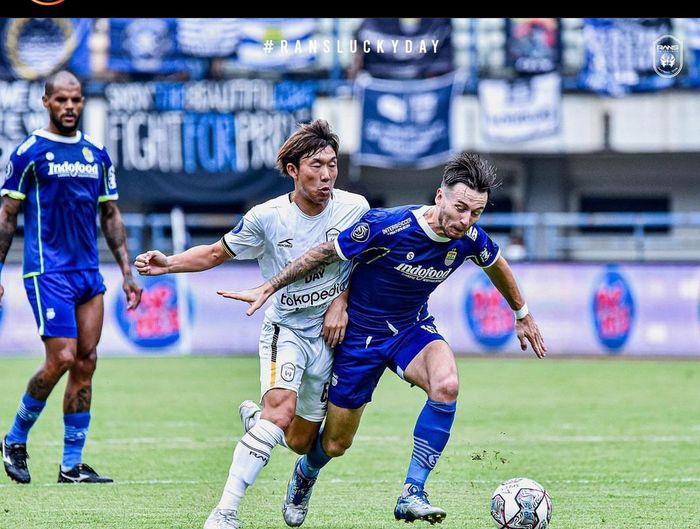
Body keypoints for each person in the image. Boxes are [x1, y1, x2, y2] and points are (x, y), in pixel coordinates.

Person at [218, 152, 547, 526]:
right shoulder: (388, 225)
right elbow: (330, 253)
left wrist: (522, 314)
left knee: (447, 384)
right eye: (459, 208)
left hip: (411, 329)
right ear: (440, 197)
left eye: (476, 213)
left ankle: (412, 492)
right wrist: (273, 287)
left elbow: (497, 263)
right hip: (360, 339)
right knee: (334, 444)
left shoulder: (470, 237)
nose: (465, 220)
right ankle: (305, 471)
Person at [134, 119, 369, 529]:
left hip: (334, 337)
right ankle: (224, 512)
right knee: (281, 414)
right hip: (287, 330)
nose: (327, 174)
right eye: (317, 165)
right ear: (293, 170)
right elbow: (214, 253)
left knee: (305, 442)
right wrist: (168, 263)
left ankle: (279, 444)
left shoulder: (355, 208)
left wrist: (343, 301)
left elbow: (368, 263)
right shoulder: (267, 217)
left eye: (332, 164)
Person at [0, 70, 143, 484]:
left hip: (87, 273)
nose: (69, 107)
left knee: (86, 360)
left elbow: (110, 214)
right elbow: (7, 216)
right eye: (61, 100)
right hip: (47, 271)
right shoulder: (28, 152)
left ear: (83, 102)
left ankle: (71, 465)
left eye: (76, 100)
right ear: (46, 102)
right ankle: (14, 438)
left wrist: (127, 271)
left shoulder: (96, 153)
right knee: (61, 357)